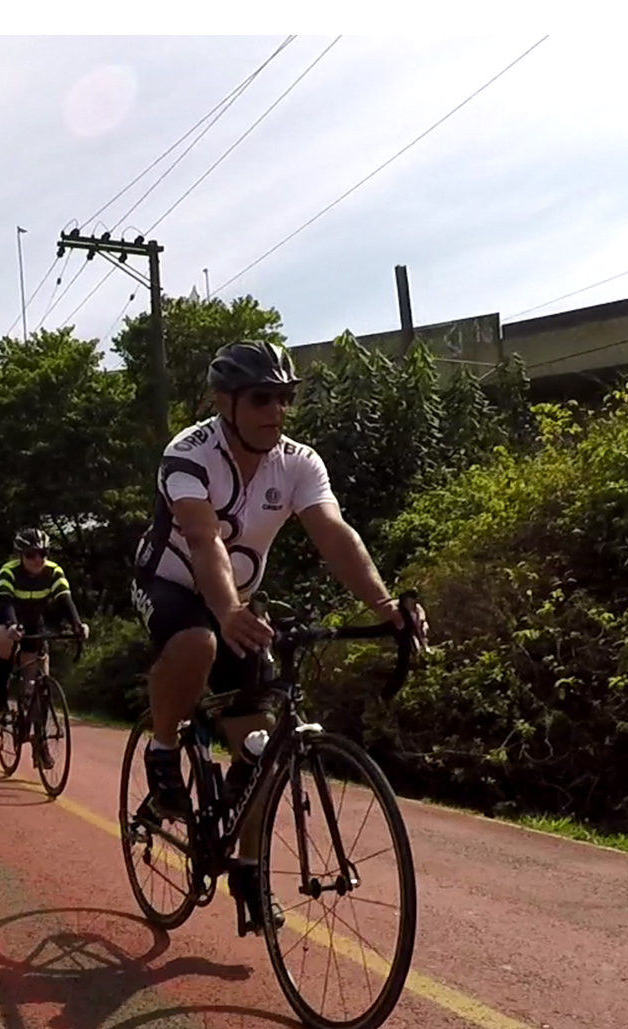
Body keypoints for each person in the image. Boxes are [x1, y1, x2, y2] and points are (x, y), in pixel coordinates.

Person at [131, 340, 421, 934]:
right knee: (198, 642)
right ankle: (162, 750)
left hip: (235, 598)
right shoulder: (188, 455)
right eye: (262, 397)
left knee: (262, 746)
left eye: (285, 397)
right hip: (169, 584)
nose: (277, 410)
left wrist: (385, 606)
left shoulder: (298, 462)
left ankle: (247, 867)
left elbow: (334, 534)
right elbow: (203, 539)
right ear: (224, 401)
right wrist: (228, 610)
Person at [0, 528, 88, 739]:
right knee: (6, 657)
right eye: (31, 555)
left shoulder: (54, 571)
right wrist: (12, 626)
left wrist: (77, 625)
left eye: (43, 553)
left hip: (34, 624)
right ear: (20, 556)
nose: (38, 559)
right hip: (6, 620)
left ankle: (40, 739)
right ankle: (1, 705)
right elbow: (5, 602)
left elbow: (65, 599)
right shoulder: (9, 571)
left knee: (42, 681)